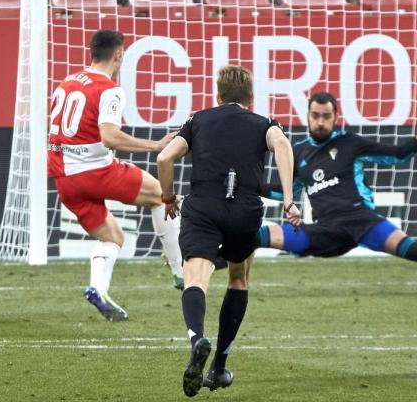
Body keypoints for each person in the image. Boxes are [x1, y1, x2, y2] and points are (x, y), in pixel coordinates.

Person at [258, 92, 417, 293]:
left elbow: (399, 155)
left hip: (363, 221)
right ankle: (220, 261)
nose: (321, 122)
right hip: (326, 230)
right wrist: (251, 185)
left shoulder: (349, 143)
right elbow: (285, 193)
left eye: (326, 117)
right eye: (316, 116)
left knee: (415, 251)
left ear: (335, 117)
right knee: (260, 235)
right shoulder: (297, 153)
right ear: (308, 116)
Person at [156, 65, 300, 397]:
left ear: (217, 96)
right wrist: (289, 200)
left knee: (195, 278)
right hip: (245, 210)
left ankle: (196, 339)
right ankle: (218, 368)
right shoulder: (264, 123)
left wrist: (167, 197)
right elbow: (281, 144)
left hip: (204, 206)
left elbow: (164, 157)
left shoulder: (198, 120)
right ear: (250, 99)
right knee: (238, 278)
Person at [48, 29, 180, 322]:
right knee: (161, 194)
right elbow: (109, 135)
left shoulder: (66, 82)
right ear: (119, 54)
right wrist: (154, 145)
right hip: (93, 170)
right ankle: (180, 270)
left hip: (65, 180)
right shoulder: (109, 89)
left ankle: (98, 289)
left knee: (113, 237)